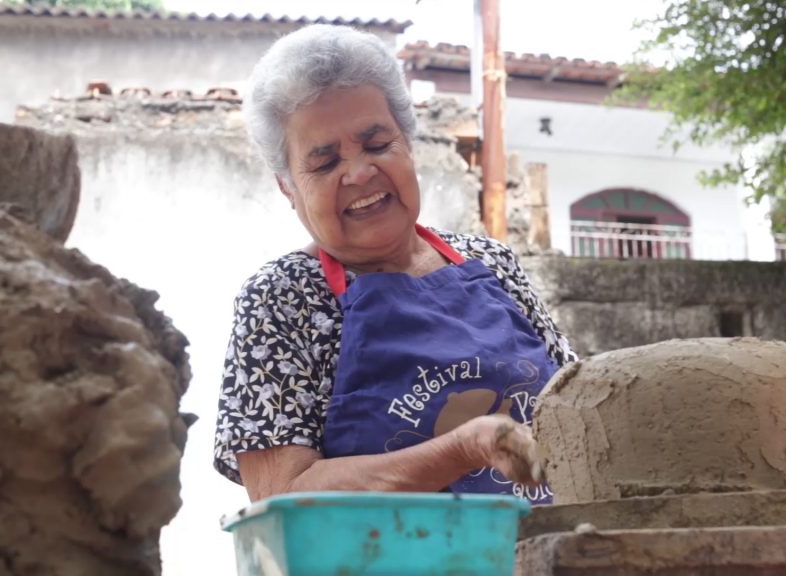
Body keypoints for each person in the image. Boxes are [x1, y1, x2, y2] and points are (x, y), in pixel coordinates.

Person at [214, 24, 577, 504]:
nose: (360, 172)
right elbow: (281, 494)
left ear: (408, 143)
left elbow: (575, 407)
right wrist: (466, 448)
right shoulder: (281, 299)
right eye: (324, 164)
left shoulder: (492, 262)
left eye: (377, 144)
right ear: (288, 188)